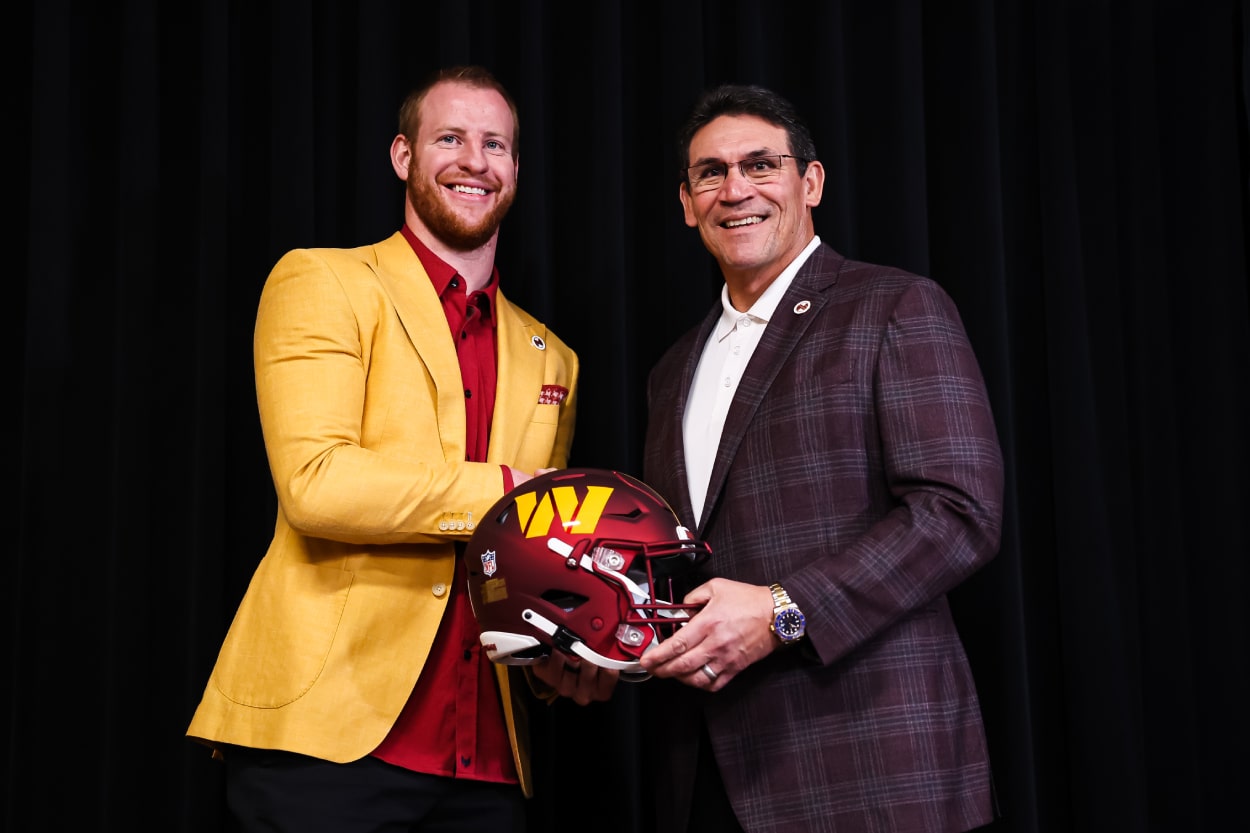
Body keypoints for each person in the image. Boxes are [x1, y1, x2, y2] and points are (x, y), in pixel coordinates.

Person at [186, 65, 602, 832]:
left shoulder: (555, 359)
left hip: (489, 761)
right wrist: (514, 488)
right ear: (402, 156)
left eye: (496, 144)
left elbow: (522, 558)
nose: (475, 161)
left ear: (515, 168)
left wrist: (565, 654)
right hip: (326, 749)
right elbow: (318, 485)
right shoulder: (324, 281)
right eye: (450, 138)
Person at [637, 83, 1006, 833]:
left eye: (760, 165)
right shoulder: (671, 369)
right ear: (685, 201)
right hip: (706, 774)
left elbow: (959, 513)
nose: (734, 188)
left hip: (869, 767)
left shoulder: (895, 306)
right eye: (711, 172)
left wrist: (783, 610)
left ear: (810, 182)